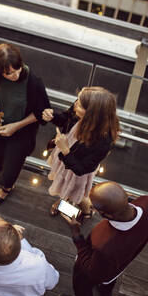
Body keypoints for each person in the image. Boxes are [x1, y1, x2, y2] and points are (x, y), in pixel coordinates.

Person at [57, 181, 148, 296]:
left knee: (82, 283)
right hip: (122, 261)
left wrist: (76, 235)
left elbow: (90, 270)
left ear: (107, 215)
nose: (91, 208)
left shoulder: (106, 247)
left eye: (94, 208)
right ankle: (106, 293)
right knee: (110, 277)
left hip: (92, 264)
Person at [0, 42, 50, 206]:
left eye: (18, 69)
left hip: (21, 132)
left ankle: (0, 183)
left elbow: (42, 112)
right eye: (8, 73)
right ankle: (2, 181)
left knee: (8, 174)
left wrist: (15, 126)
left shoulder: (33, 82)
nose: (15, 75)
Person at [42, 86, 119, 218]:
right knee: (65, 186)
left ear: (91, 114)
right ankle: (63, 200)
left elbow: (81, 169)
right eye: (77, 100)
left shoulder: (104, 141)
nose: (75, 105)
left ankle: (86, 213)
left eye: (79, 105)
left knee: (78, 194)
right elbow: (66, 118)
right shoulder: (82, 105)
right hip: (66, 157)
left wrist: (65, 149)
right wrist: (52, 117)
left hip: (77, 170)